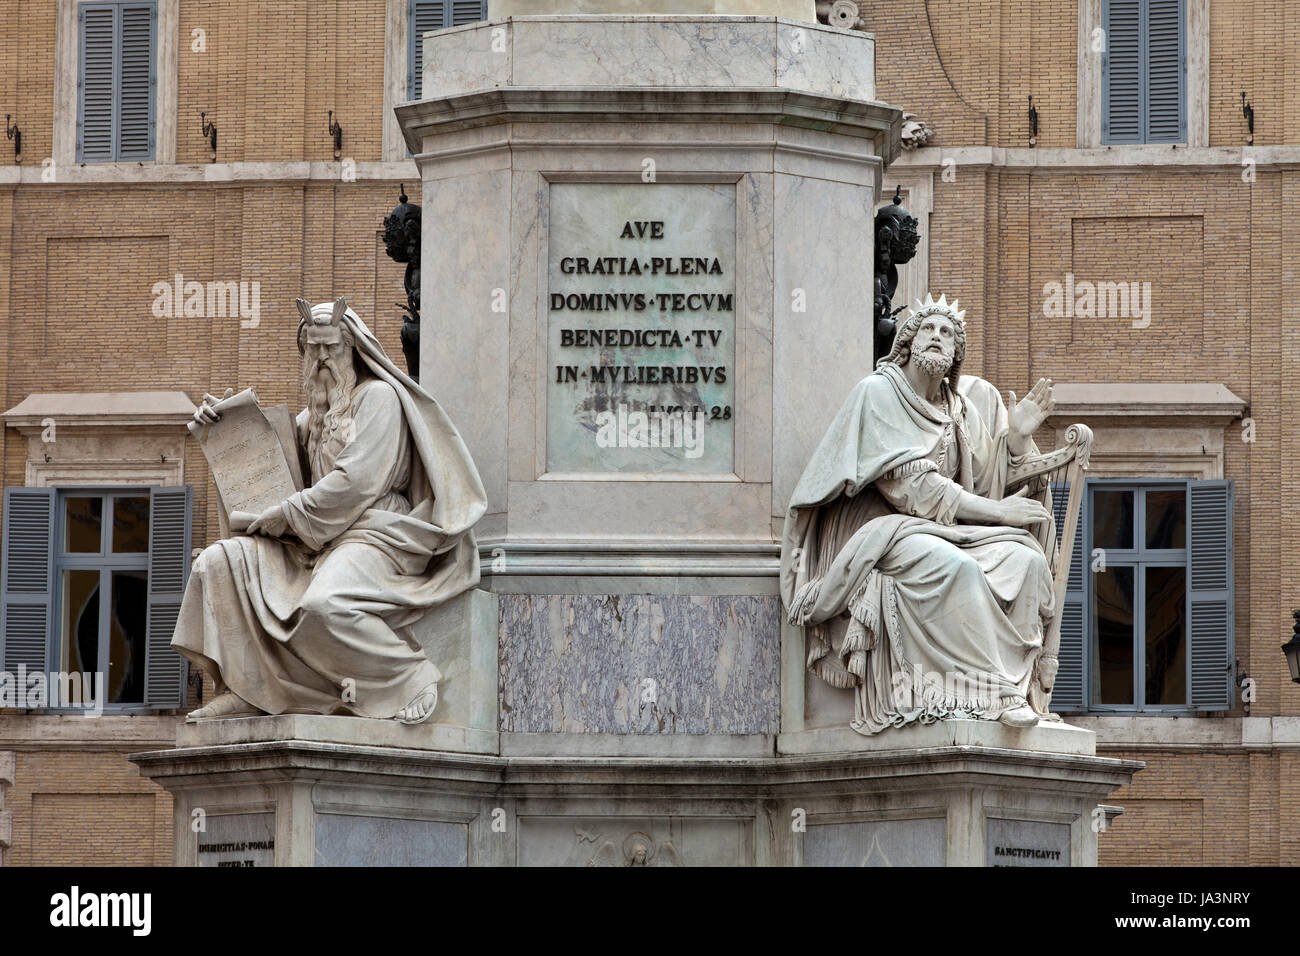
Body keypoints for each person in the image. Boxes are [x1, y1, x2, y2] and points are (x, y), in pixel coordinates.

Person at [178, 298, 486, 724]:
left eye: (332, 348)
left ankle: (409, 676)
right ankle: (248, 687)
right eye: (313, 349)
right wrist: (226, 429)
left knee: (325, 603)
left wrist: (286, 514)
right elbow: (264, 480)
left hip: (375, 531)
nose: (322, 359)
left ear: (354, 349)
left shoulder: (378, 399)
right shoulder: (309, 421)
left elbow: (355, 484)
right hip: (313, 539)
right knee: (217, 562)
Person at [780, 293, 1058, 733]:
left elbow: (987, 479)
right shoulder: (880, 393)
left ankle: (1016, 690)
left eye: (947, 333)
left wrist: (1019, 438)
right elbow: (912, 488)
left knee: (1024, 560)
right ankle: (994, 693)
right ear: (908, 341)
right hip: (882, 526)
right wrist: (999, 513)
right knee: (958, 569)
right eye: (928, 328)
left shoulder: (958, 410)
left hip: (943, 528)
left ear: (954, 355)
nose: (936, 337)